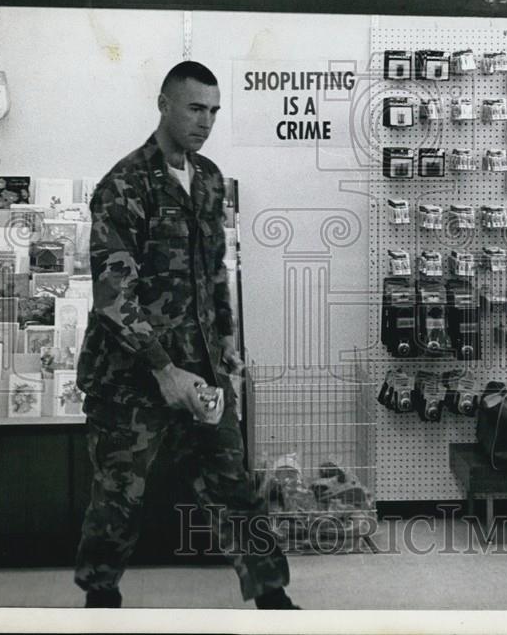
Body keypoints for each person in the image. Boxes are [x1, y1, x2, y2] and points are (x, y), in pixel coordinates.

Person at [74, 61, 296, 610]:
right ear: (164, 104)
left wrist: (225, 343)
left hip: (201, 370)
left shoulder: (211, 180)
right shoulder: (124, 185)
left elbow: (215, 269)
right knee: (119, 499)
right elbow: (112, 296)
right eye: (195, 108)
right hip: (130, 377)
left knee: (233, 487)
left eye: (214, 111)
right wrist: (161, 368)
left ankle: (272, 597)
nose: (205, 121)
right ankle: (100, 599)